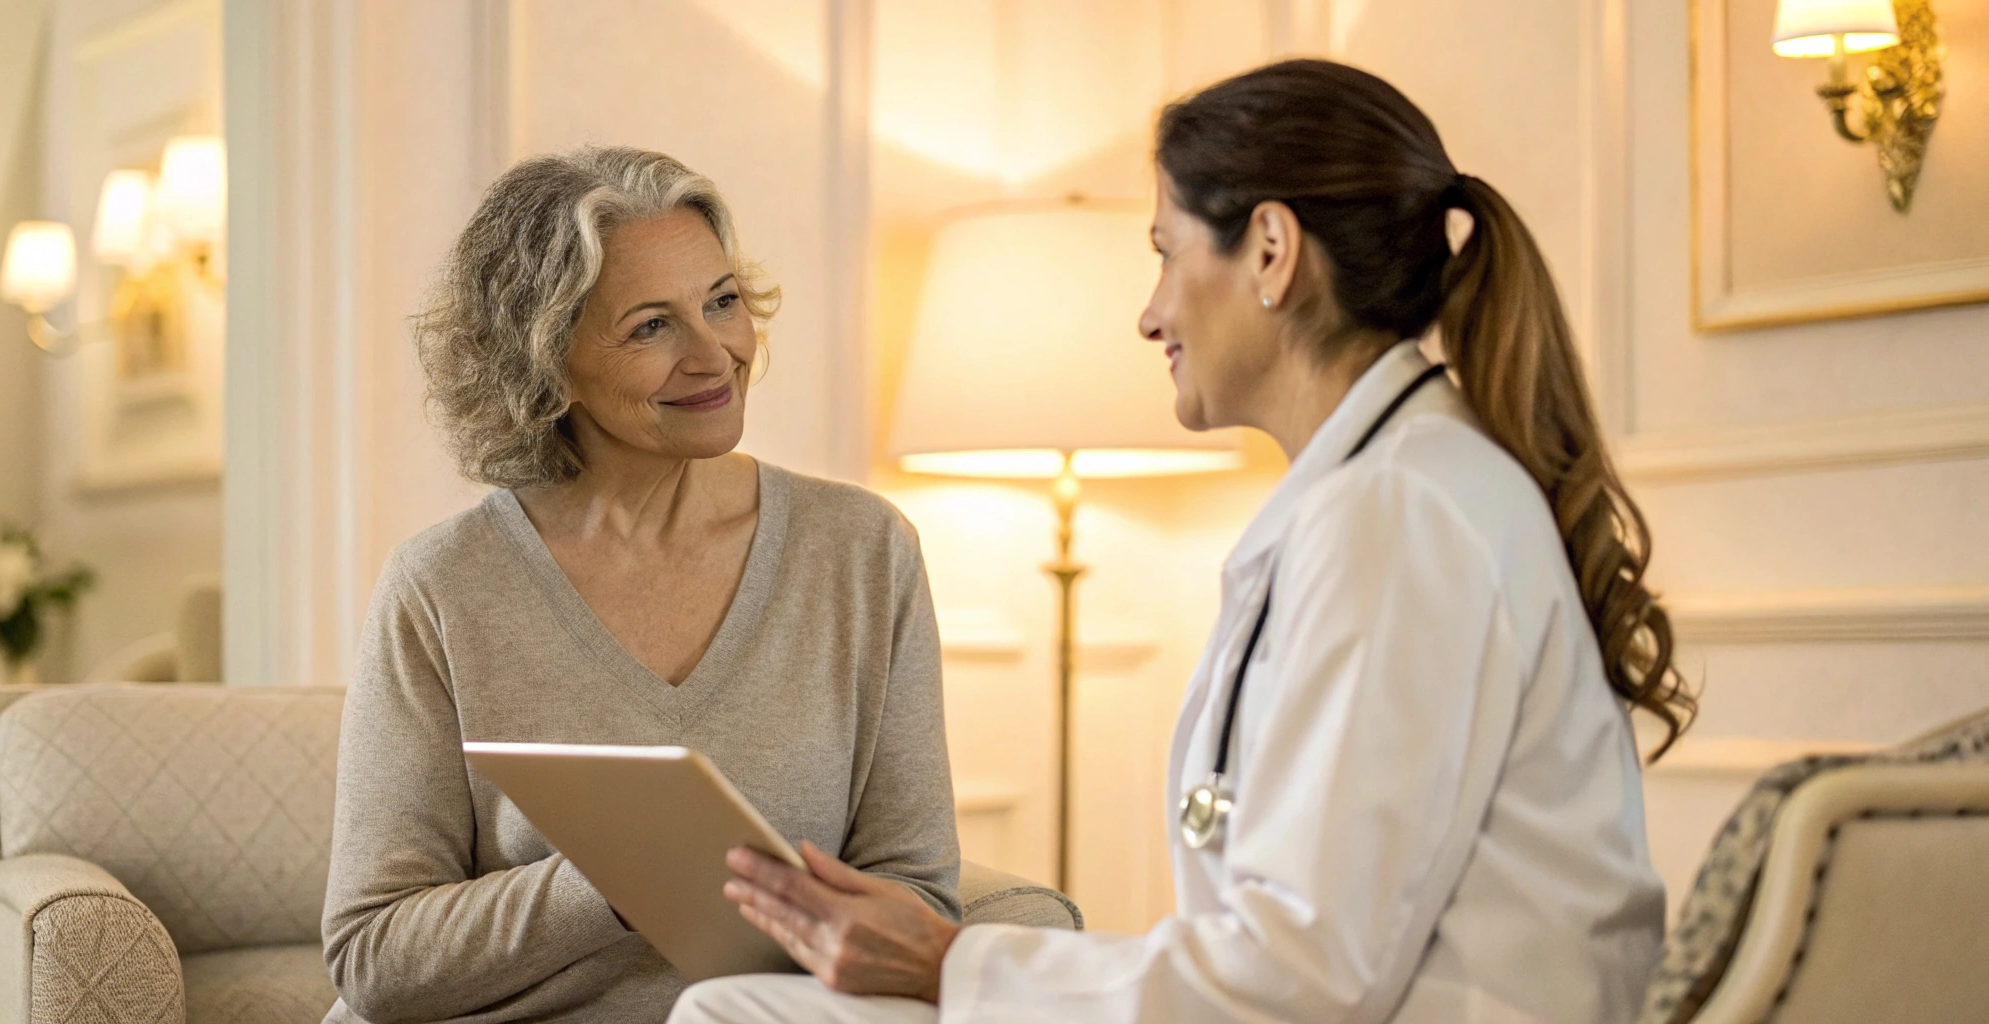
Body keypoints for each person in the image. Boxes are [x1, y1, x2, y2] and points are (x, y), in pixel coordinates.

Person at [670, 58, 1693, 1024]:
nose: (1150, 314)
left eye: (1165, 252)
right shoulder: (1390, 488)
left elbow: (1302, 979)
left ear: (1271, 251)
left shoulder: (1394, 514)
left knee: (735, 1012)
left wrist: (950, 962)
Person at [320, 146, 961, 1024]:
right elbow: (373, 954)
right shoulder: (440, 586)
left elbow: (918, 899)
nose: (715, 355)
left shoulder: (861, 550)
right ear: (545, 358)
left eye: (722, 302)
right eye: (652, 326)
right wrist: (623, 870)